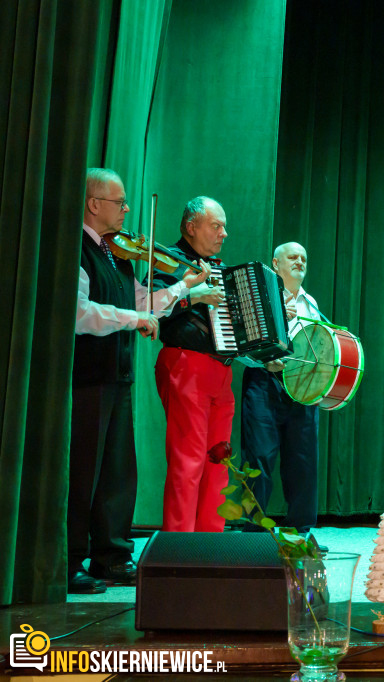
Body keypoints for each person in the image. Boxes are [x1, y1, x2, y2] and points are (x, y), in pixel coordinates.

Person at [71, 169, 210, 593]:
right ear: (95, 204)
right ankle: (71, 560)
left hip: (118, 373)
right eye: (120, 203)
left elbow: (141, 300)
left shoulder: (115, 253)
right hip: (87, 375)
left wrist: (182, 288)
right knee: (83, 471)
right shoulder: (77, 249)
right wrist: (137, 318)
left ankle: (111, 556)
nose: (127, 210)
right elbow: (81, 314)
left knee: (117, 471)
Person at [151, 196, 232, 533]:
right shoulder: (169, 261)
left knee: (219, 461)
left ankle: (209, 542)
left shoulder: (222, 269)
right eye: (216, 225)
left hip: (221, 369)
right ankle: (179, 546)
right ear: (191, 226)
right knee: (188, 460)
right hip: (186, 362)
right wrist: (193, 294)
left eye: (224, 226)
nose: (223, 233)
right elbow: (153, 305)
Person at [241, 242, 325, 537]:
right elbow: (244, 345)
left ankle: (301, 532)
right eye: (292, 257)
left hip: (302, 388)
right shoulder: (259, 297)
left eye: (304, 257)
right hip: (264, 382)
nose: (299, 261)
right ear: (275, 264)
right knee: (259, 458)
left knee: (303, 460)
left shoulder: (311, 303)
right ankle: (254, 534)